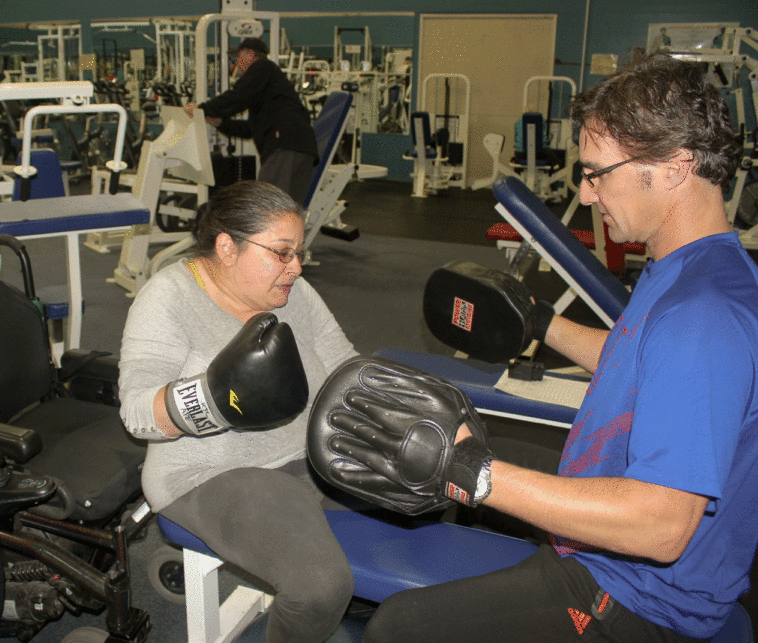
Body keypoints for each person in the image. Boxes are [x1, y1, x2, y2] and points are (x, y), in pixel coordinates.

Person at [311, 51, 758, 642]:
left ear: (675, 166)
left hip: (631, 598)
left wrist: (478, 476)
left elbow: (660, 528)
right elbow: (644, 364)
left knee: (398, 629)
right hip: (615, 531)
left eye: (598, 172)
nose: (587, 192)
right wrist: (539, 322)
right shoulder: (699, 268)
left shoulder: (702, 317)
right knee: (479, 446)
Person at [118, 180, 358, 643]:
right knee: (318, 588)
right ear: (227, 248)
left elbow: (341, 359)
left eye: (299, 252)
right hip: (211, 472)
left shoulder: (295, 291)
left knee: (420, 497)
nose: (297, 267)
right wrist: (214, 398)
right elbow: (134, 411)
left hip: (306, 450)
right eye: (282, 253)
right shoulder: (168, 298)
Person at [183, 37, 319, 204]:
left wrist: (203, 109)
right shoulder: (268, 85)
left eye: (238, 57)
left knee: (267, 205)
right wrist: (220, 123)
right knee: (288, 211)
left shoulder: (262, 67)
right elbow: (250, 129)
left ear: (250, 55)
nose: (237, 63)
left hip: (285, 146)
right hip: (300, 148)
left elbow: (238, 97)